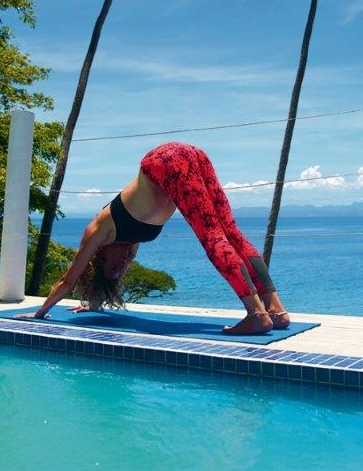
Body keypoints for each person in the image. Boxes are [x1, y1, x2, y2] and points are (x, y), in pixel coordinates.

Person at [17, 142, 290, 335]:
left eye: (114, 266)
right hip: (193, 155)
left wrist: (39, 313)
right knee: (230, 234)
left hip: (166, 161)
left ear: (99, 256)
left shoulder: (98, 231)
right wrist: (94, 304)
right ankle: (276, 311)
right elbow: (102, 277)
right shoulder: (128, 244)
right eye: (120, 271)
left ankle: (256, 315)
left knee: (214, 237)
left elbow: (68, 280)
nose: (122, 264)